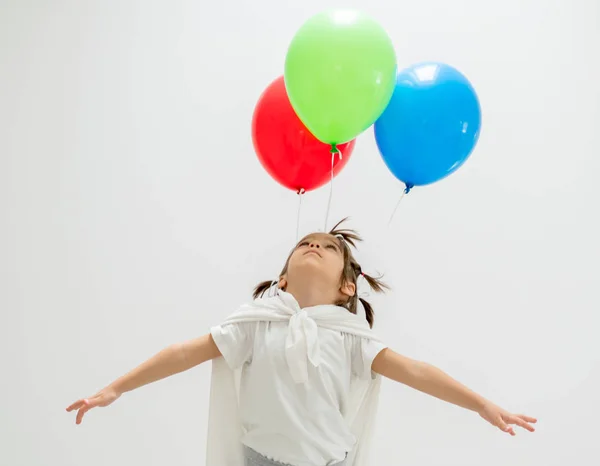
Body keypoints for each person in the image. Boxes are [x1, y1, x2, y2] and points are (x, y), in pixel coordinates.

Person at [66, 219, 536, 466]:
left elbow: (415, 371)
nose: (314, 245)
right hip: (261, 461)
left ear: (346, 288)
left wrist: (480, 404)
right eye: (305, 243)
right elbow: (185, 352)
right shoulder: (256, 323)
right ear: (283, 279)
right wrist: (116, 388)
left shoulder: (352, 339)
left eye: (329, 247)